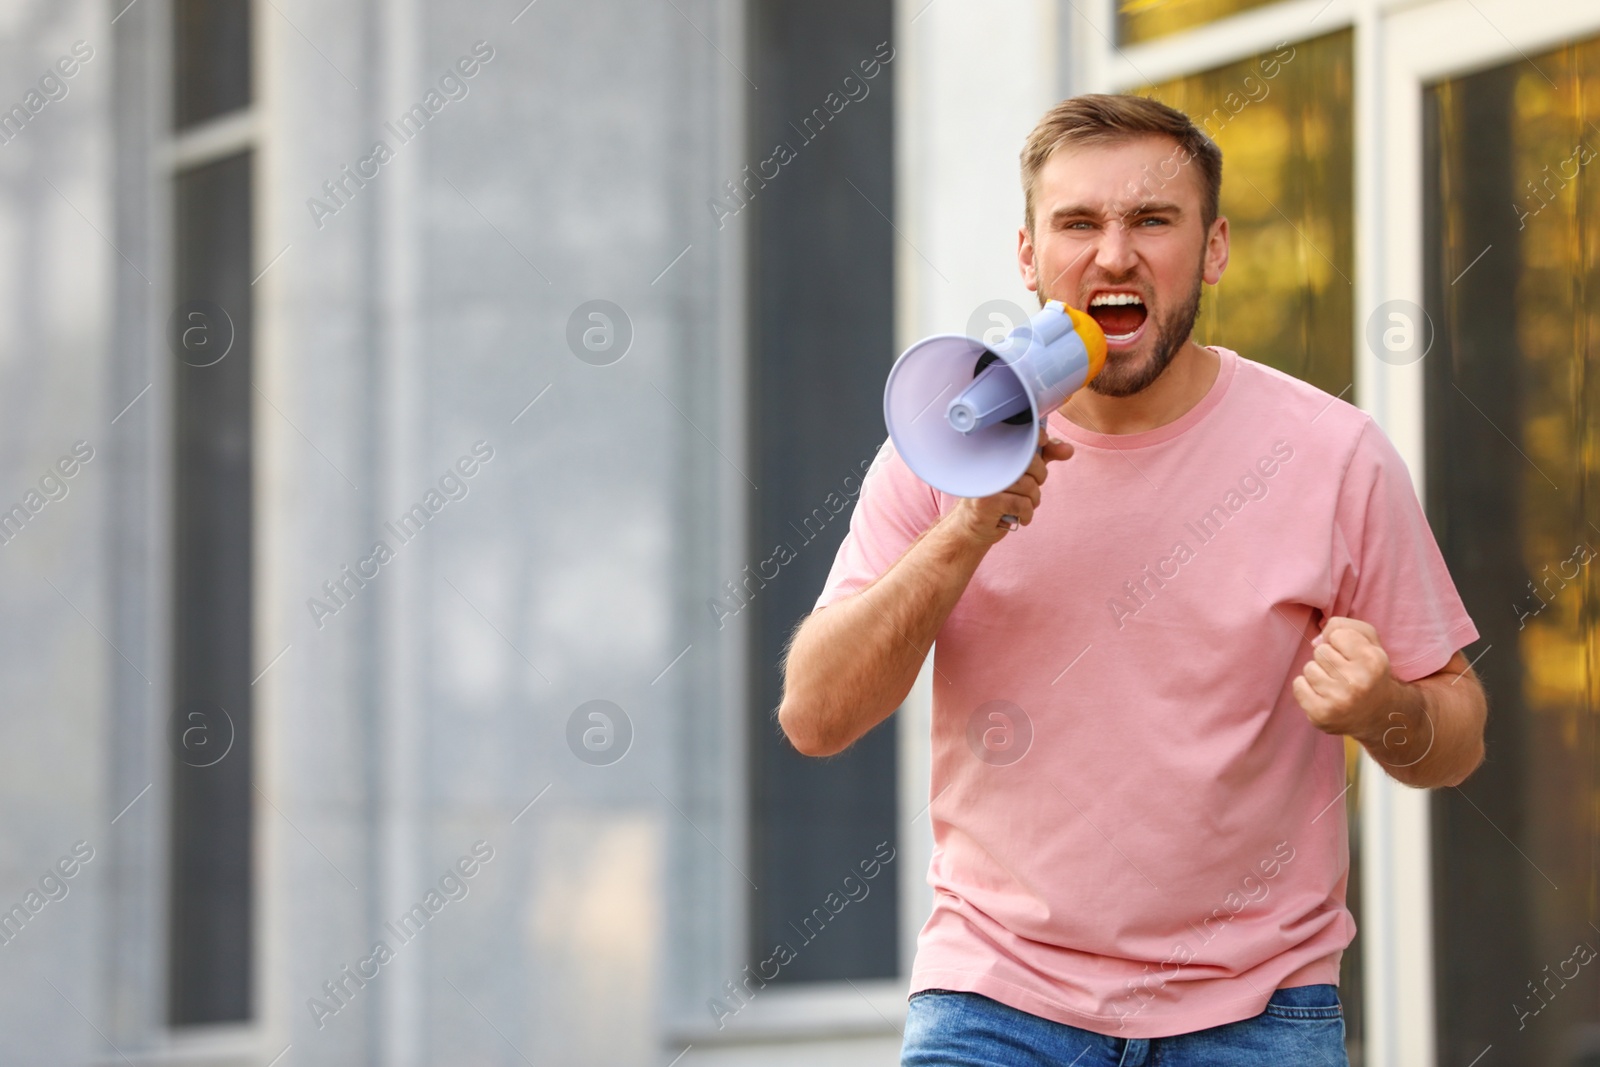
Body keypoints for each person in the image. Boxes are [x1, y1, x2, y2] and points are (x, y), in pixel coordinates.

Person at [776, 93, 1488, 1067]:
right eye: (1078, 222)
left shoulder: (1332, 455)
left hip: (1255, 1015)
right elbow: (815, 714)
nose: (1113, 254)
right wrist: (964, 532)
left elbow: (1456, 739)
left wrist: (1385, 705)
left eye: (1153, 219)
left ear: (1214, 248)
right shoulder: (940, 445)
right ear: (1028, 253)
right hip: (994, 1002)